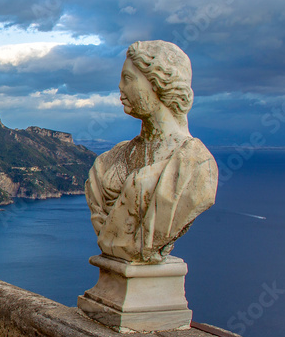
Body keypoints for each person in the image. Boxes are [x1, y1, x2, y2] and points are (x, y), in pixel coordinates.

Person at [86, 40, 218, 263]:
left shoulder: (194, 165)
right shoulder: (107, 162)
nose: (120, 86)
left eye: (128, 78)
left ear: (159, 84)